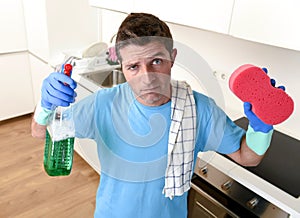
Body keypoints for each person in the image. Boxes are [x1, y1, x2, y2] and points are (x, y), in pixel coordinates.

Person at [32, 13, 279, 218]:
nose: (147, 78)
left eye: (157, 61)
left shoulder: (198, 109)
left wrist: (262, 126)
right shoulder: (104, 104)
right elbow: (40, 131)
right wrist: (44, 108)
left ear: (172, 58)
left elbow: (248, 157)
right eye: (133, 67)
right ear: (122, 67)